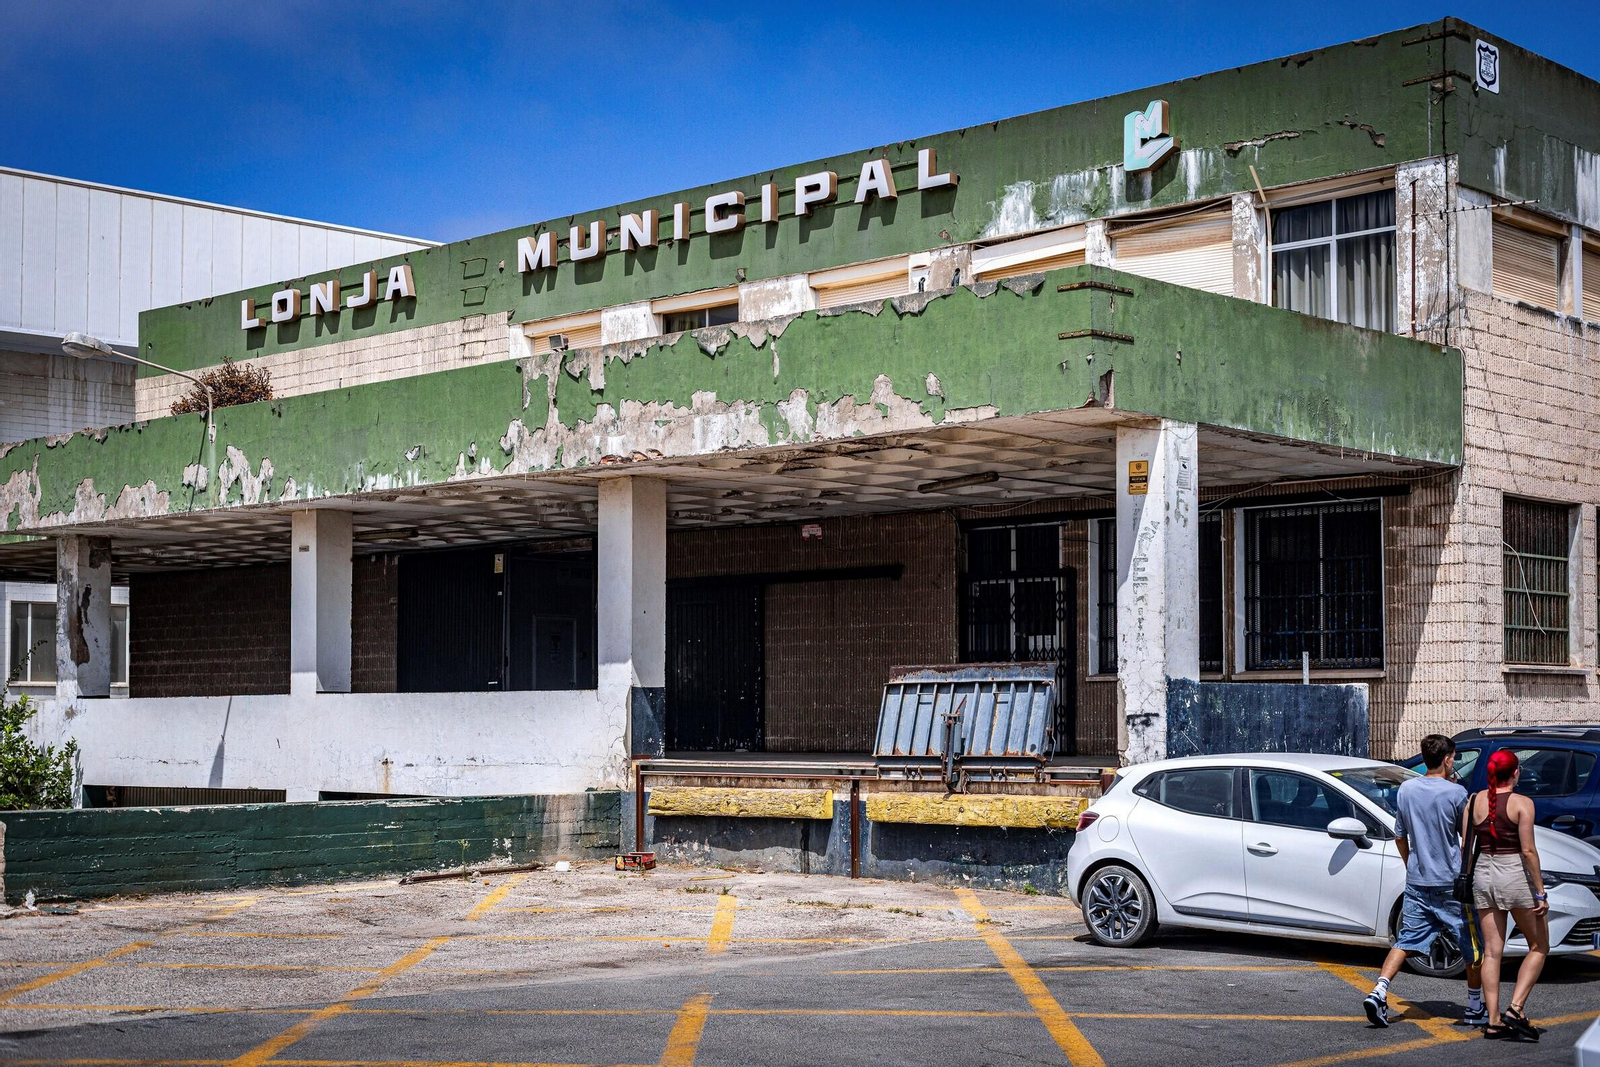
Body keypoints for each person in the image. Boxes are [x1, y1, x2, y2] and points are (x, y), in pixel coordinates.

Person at [1362, 734, 1484, 1028]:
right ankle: (1474, 1005)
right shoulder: (1457, 794)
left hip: (1418, 881)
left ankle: (1379, 990)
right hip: (1450, 882)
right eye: (1453, 758)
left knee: (1406, 940)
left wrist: (1411, 866)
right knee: (1471, 945)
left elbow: (1399, 836)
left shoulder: (1406, 790)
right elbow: (1467, 839)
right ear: (1447, 760)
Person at [1468, 750, 1549, 1041]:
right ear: (1515, 773)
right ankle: (1515, 1008)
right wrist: (1540, 892)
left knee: (1492, 951)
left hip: (1483, 874)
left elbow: (1467, 845)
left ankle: (1493, 1021)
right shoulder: (1522, 803)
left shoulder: (1475, 800)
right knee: (1539, 946)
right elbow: (1527, 851)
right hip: (1512, 873)